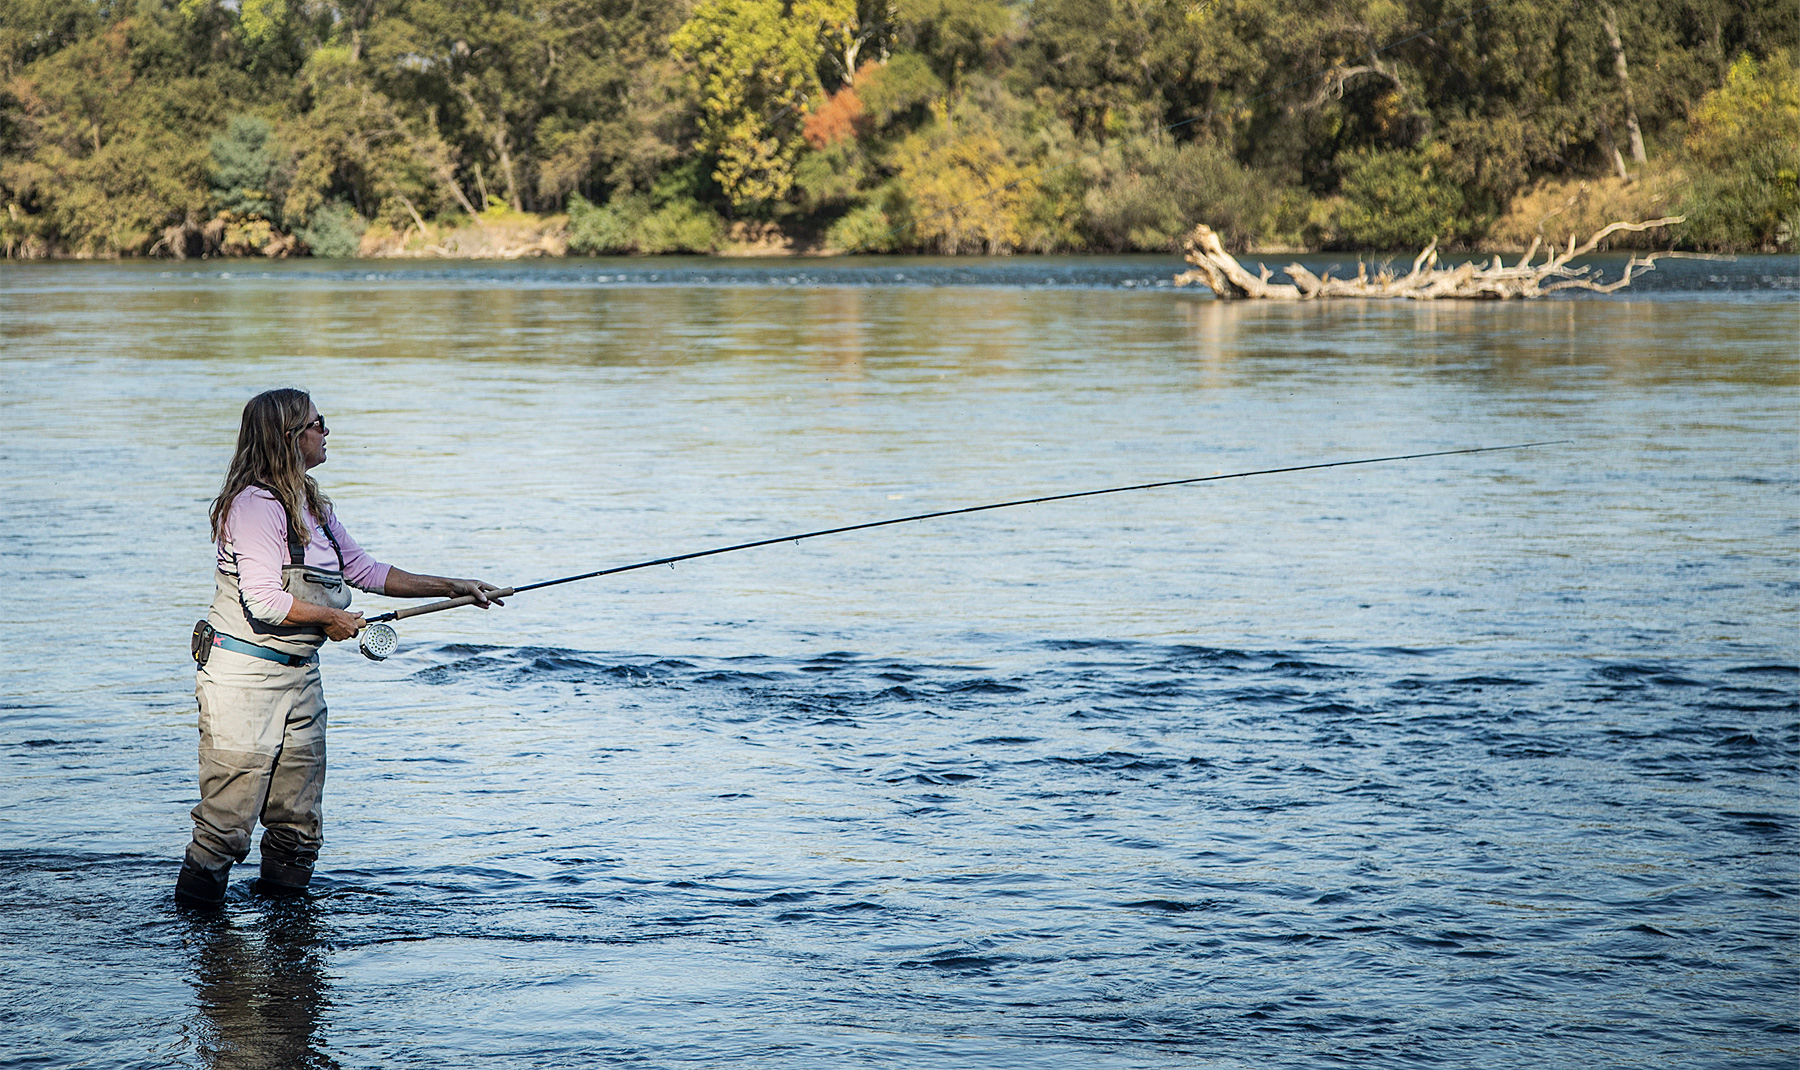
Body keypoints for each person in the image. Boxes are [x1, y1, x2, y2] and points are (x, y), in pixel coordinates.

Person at [175, 388, 504, 909]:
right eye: (317, 423)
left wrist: (455, 586)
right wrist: (331, 618)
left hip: (300, 678)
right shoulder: (256, 507)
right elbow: (263, 600)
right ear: (289, 437)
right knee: (226, 827)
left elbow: (366, 572)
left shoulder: (312, 503)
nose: (326, 431)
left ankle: (288, 943)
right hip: (243, 681)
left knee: (298, 825)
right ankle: (197, 943)